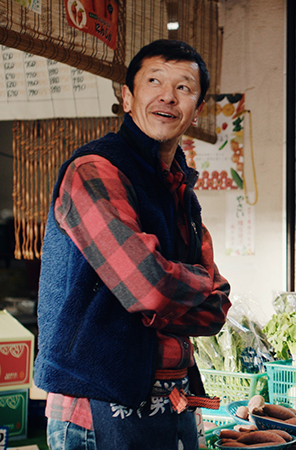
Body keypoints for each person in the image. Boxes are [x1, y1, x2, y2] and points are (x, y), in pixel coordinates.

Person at [35, 39, 231, 450]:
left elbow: (216, 311)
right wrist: (189, 283)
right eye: (154, 81)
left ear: (195, 110)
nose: (168, 96)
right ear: (127, 97)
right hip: (98, 405)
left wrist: (168, 291)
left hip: (169, 403)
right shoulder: (95, 170)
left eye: (184, 87)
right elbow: (149, 287)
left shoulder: (179, 189)